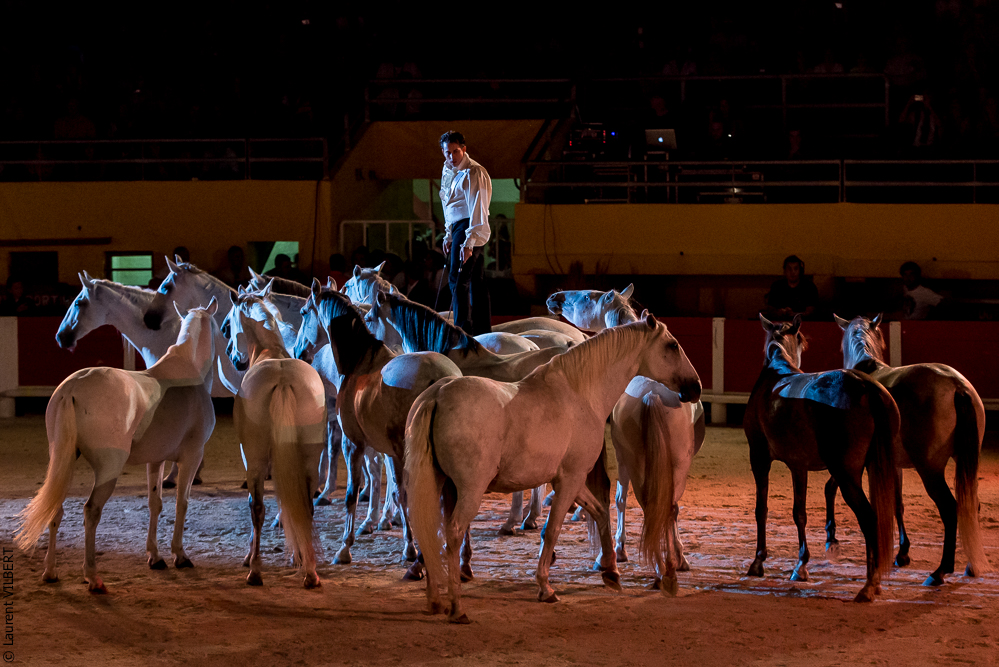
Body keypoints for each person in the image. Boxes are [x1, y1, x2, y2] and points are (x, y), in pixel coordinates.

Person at [439, 130, 492, 335]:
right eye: (447, 152)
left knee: (458, 279)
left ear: (464, 149)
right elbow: (450, 205)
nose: (451, 156)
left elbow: (478, 207)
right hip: (459, 227)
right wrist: (449, 234)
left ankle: (463, 328)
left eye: (455, 151)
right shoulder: (450, 171)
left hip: (470, 226)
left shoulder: (473, 172)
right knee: (476, 280)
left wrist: (469, 242)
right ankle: (480, 328)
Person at [763, 255, 818, 320]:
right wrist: (779, 312)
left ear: (800, 271)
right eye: (789, 269)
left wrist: (794, 314)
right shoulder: (777, 287)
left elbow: (811, 312)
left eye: (796, 269)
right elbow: (770, 309)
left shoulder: (809, 287)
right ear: (785, 271)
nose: (792, 272)